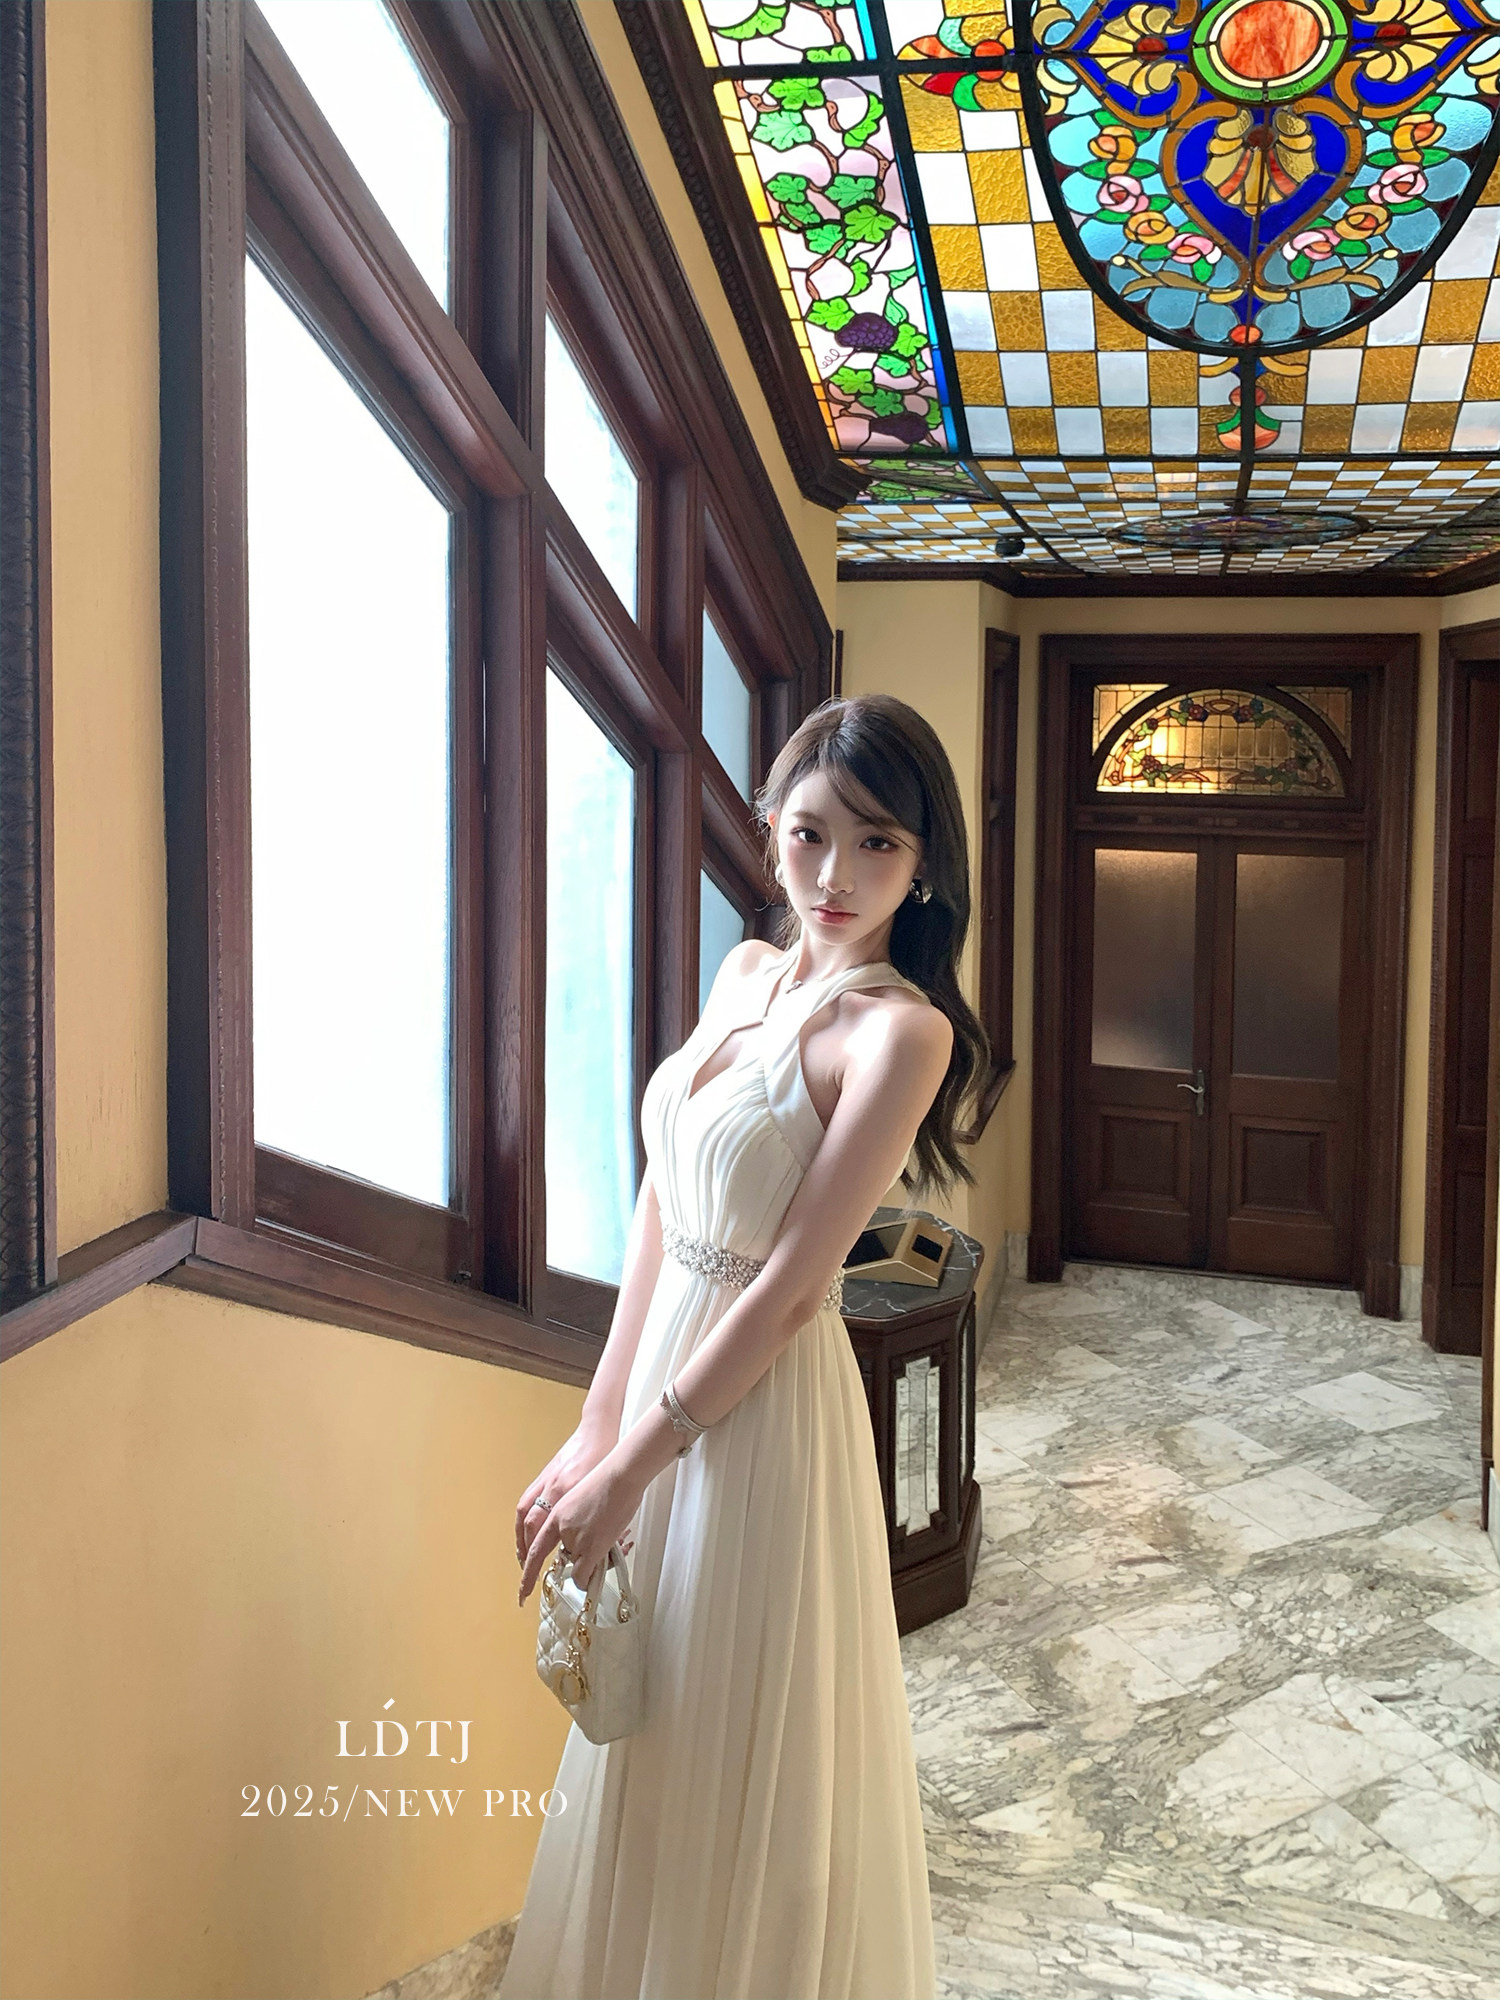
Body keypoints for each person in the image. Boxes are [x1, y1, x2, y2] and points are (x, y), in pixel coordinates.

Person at [501, 692, 988, 2000]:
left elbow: (789, 1290)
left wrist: (632, 1468)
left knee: (731, 1733)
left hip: (761, 1408)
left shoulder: (902, 1032)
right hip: (665, 1378)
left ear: (923, 863)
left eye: (877, 843)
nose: (836, 876)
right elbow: (662, 1204)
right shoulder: (745, 976)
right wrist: (597, 1424)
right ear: (772, 826)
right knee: (642, 1729)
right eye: (812, 833)